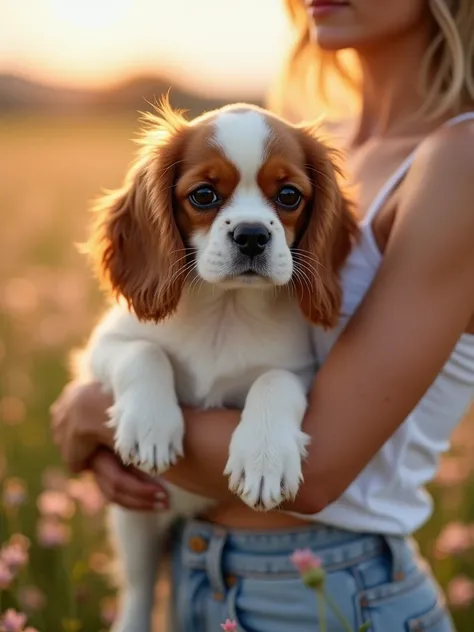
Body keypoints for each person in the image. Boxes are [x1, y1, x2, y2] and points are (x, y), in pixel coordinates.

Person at [51, 0, 474, 630]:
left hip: (329, 590)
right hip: (192, 572)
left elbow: (313, 472)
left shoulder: (458, 161)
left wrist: (93, 413)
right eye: (205, 196)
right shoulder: (315, 139)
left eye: (285, 200)